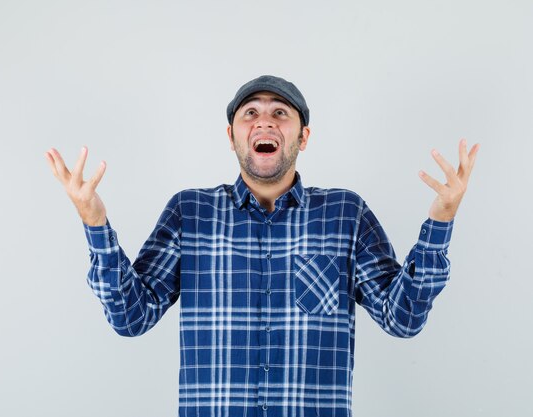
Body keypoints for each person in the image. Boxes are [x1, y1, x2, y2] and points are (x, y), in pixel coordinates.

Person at [45, 75, 479, 417]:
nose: (264, 121)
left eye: (280, 113)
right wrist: (94, 220)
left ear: (303, 136)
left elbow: (401, 319)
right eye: (249, 113)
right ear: (232, 135)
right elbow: (130, 317)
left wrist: (441, 219)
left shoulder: (346, 214)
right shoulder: (189, 212)